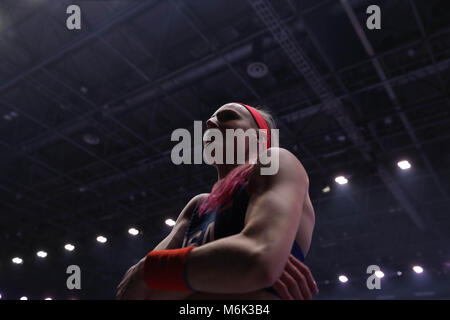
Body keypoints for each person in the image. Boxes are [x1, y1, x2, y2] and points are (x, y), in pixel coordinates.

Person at [116, 102, 318, 300]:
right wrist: (226, 269)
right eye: (211, 120)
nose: (210, 123)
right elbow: (130, 293)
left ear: (259, 137)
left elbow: (258, 260)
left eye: (228, 116)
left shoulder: (275, 162)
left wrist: (153, 271)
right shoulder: (198, 206)